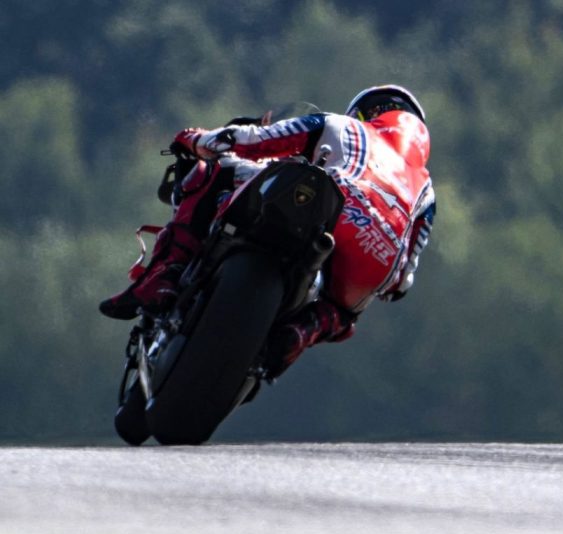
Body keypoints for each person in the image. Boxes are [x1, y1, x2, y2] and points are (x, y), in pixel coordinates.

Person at [100, 84, 435, 376]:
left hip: (330, 204)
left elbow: (253, 140)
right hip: (376, 260)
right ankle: (301, 333)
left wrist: (195, 139)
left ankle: (163, 276)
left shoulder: (342, 125)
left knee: (215, 170)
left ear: (367, 113)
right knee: (343, 315)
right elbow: (402, 281)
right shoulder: (426, 192)